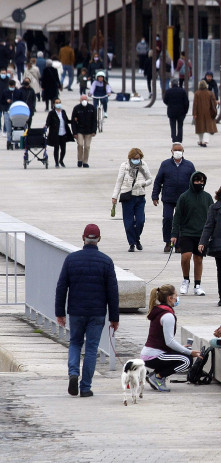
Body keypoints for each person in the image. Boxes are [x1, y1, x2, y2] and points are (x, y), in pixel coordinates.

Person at [55, 224, 119, 398]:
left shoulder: (71, 259)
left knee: (75, 343)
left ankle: (73, 373)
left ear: (83, 238)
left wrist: (59, 312)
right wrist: (114, 318)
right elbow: (112, 292)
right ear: (99, 239)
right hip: (97, 313)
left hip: (76, 311)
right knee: (91, 348)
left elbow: (61, 287)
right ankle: (85, 388)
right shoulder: (106, 261)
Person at [141, 284, 203, 392]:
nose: (177, 298)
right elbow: (169, 341)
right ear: (170, 298)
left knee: (184, 354)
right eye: (176, 295)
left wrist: (182, 348)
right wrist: (190, 352)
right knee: (186, 360)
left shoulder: (159, 311)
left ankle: (155, 375)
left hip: (149, 354)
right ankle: (158, 377)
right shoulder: (168, 316)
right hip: (153, 356)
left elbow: (163, 340)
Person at [171, 171, 214, 296]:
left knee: (198, 259)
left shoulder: (207, 197)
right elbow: (177, 216)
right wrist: (174, 234)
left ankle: (197, 284)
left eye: (202, 181)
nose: (199, 183)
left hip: (202, 234)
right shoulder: (184, 197)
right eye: (197, 181)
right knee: (186, 257)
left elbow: (212, 216)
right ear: (192, 181)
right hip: (187, 232)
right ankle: (185, 280)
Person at [152, 143, 196, 252]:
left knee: (182, 221)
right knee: (168, 219)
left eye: (179, 150)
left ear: (183, 151)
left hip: (184, 199)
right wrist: (155, 196)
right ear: (171, 151)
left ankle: (179, 244)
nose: (177, 152)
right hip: (168, 198)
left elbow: (195, 181)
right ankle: (168, 242)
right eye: (175, 150)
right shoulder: (165, 164)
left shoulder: (189, 165)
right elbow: (158, 181)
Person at [111, 148, 153, 252]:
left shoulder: (143, 165)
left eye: (138, 158)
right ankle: (132, 243)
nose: (136, 160)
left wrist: (143, 183)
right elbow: (119, 181)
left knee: (140, 221)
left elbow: (150, 179)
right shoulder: (124, 166)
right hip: (127, 197)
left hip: (140, 196)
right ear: (130, 158)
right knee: (128, 222)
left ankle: (136, 238)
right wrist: (114, 196)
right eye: (134, 158)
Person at [45, 97, 73, 168]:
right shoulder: (52, 113)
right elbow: (48, 122)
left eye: (59, 102)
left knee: (63, 149)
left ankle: (61, 160)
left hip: (63, 133)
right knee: (56, 148)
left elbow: (66, 120)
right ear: (54, 104)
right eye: (56, 103)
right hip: (55, 133)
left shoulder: (63, 112)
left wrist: (74, 120)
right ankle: (56, 162)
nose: (58, 104)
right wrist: (45, 127)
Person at [71, 94, 97, 168]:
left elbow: (94, 120)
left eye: (85, 99)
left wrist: (94, 130)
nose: (84, 101)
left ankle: (85, 161)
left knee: (87, 146)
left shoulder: (92, 108)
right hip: (80, 130)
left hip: (89, 131)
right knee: (80, 145)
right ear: (80, 100)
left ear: (88, 100)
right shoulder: (76, 108)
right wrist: (74, 132)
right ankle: (79, 160)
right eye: (82, 100)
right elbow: (73, 121)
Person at [163, 79, 189, 143]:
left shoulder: (168, 91)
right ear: (178, 84)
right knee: (180, 126)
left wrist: (169, 104)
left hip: (171, 111)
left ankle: (174, 139)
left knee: (173, 126)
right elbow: (186, 102)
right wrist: (185, 111)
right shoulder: (182, 91)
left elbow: (165, 100)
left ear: (171, 84)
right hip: (181, 111)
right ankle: (179, 139)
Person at [192, 80, 217, 147]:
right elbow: (214, 103)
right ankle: (205, 141)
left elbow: (195, 104)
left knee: (200, 128)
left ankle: (200, 141)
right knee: (207, 128)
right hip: (209, 112)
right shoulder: (210, 93)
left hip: (199, 113)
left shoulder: (197, 93)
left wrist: (194, 113)